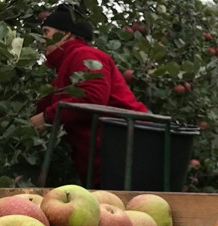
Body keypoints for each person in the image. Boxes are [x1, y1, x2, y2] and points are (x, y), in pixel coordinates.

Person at [30, 4, 148, 188]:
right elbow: (51, 102)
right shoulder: (65, 65)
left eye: (46, 32)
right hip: (110, 156)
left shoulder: (85, 54)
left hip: (125, 152)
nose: (42, 39)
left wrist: (46, 118)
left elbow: (92, 97)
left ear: (66, 34)